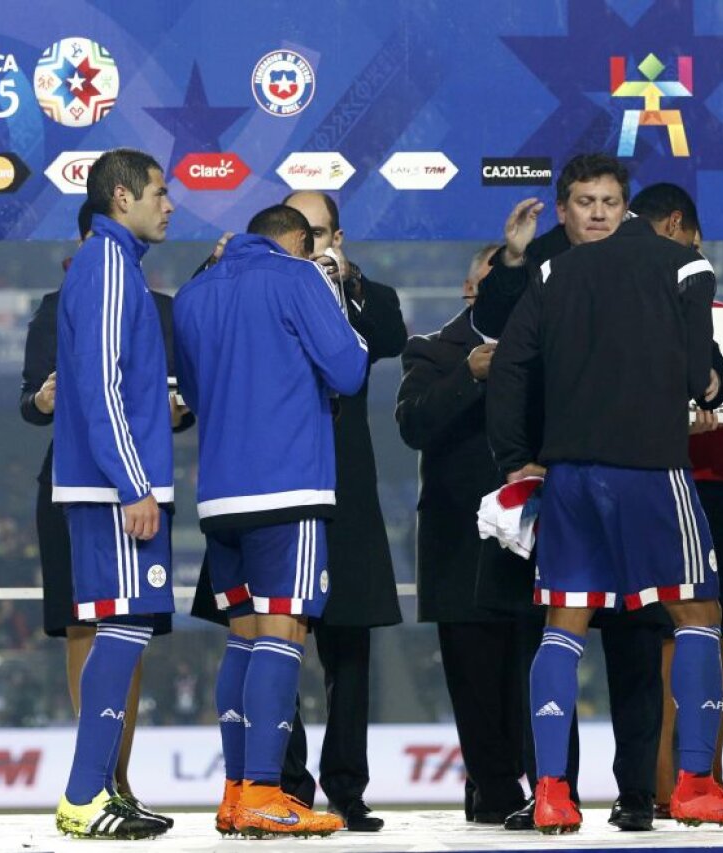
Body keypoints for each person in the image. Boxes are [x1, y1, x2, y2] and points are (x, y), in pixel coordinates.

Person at [486, 183, 723, 831]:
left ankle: (553, 791)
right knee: (698, 612)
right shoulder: (684, 264)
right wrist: (709, 385)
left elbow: (507, 367)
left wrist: (513, 457)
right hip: (649, 466)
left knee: (564, 622)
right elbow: (702, 374)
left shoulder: (558, 268)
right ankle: (694, 781)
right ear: (677, 228)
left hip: (571, 473)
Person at [471, 154, 675, 832]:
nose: (596, 212)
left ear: (626, 210)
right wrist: (515, 459)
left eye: (609, 202)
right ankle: (554, 789)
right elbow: (501, 354)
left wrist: (706, 394)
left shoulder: (655, 264)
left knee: (639, 639)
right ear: (563, 210)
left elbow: (692, 351)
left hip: (641, 481)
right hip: (562, 486)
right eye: (584, 201)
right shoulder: (542, 268)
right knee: (555, 633)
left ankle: (637, 792)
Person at [173, 204, 366, 837]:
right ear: (302, 245)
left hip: (220, 495)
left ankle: (235, 791)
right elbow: (349, 368)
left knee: (243, 635)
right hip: (288, 484)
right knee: (283, 633)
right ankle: (262, 790)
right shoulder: (299, 277)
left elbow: (195, 396)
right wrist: (328, 288)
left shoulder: (196, 291)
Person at [20, 200, 187, 813]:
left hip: (132, 478)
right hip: (89, 483)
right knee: (90, 626)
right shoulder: (60, 303)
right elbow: (36, 401)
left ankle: (113, 776)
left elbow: (175, 398)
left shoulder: (158, 308)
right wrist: (44, 397)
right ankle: (93, 782)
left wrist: (179, 413)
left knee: (127, 627)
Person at [628, 183, 723, 814]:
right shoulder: (627, 311)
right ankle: (657, 785)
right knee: (653, 637)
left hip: (715, 483)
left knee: (706, 634)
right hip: (651, 479)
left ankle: (701, 781)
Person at [51, 148, 176, 840]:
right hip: (113, 488)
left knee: (122, 633)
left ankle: (98, 788)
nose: (170, 204)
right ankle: (82, 794)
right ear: (121, 197)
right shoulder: (105, 266)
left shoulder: (115, 265)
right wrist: (134, 483)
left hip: (109, 482)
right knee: (122, 633)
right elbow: (100, 385)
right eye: (159, 192)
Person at [275, 191, 406, 830]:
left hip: (346, 491)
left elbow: (392, 334)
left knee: (349, 650)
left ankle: (347, 792)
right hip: (279, 486)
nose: (310, 244)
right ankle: (289, 788)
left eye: (320, 233)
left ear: (338, 237)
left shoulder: (360, 293)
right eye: (299, 232)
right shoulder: (260, 291)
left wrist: (346, 280)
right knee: (275, 642)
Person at [396, 244, 539, 824]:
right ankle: (494, 789)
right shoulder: (431, 349)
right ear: (468, 287)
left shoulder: (542, 346)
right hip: (459, 540)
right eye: (490, 279)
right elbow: (413, 424)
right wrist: (470, 374)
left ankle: (544, 786)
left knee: (530, 668)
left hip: (530, 534)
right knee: (474, 675)